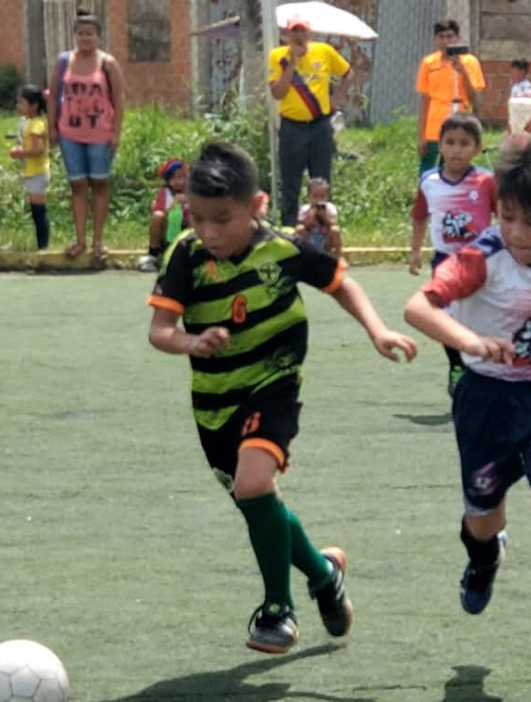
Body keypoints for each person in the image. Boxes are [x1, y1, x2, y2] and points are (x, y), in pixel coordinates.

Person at [147, 142, 417, 654]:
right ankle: (323, 572)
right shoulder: (184, 253)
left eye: (221, 219)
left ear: (257, 206)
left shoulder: (284, 250)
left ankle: (278, 611)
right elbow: (160, 330)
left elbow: (341, 284)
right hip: (213, 405)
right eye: (198, 218)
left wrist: (377, 330)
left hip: (273, 387)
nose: (208, 231)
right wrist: (191, 341)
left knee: (253, 484)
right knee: (258, 503)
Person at [403, 136, 531, 697]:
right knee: (482, 519)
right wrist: (471, 339)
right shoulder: (480, 259)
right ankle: (484, 556)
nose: (518, 232)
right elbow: (417, 307)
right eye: (508, 216)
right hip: (485, 405)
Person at [409, 113, 498, 395]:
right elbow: (420, 216)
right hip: (445, 261)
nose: (457, 149)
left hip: (481, 260)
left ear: (477, 148)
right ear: (441, 146)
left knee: (480, 313)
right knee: (445, 316)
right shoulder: (429, 181)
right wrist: (415, 251)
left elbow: (504, 215)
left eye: (464, 143)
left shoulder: (485, 181)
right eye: (450, 142)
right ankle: (456, 365)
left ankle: (484, 366)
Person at [47, 8, 125, 260]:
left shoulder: (107, 63)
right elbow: (52, 96)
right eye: (81, 33)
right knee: (77, 186)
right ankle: (80, 241)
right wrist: (52, 127)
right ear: (75, 36)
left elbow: (119, 98)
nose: (85, 38)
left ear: (99, 36)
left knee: (100, 184)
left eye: (90, 34)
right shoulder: (63, 62)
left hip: (100, 133)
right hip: (70, 131)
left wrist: (116, 131)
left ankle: (98, 242)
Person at [268, 15, 352, 228]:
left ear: (309, 33)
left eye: (302, 31)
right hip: (292, 127)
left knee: (322, 182)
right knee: (290, 184)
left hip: (319, 126)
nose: (298, 36)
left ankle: (322, 231)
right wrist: (292, 64)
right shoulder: (278, 56)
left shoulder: (324, 51)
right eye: (294, 31)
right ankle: (289, 232)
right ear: (287, 34)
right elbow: (278, 92)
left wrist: (337, 98)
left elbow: (348, 73)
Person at [416, 19, 486, 175]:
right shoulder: (429, 63)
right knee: (429, 173)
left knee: (458, 170)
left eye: (450, 36)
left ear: (458, 38)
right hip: (434, 128)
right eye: (441, 37)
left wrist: (463, 72)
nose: (445, 41)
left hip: (460, 124)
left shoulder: (470, 62)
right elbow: (425, 100)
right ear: (435, 40)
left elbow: (474, 96)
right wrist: (421, 135)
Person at [9, 85, 51, 251]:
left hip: (38, 172)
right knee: (36, 210)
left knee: (38, 211)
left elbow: (38, 149)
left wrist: (19, 153)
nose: (19, 106)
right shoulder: (29, 123)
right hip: (32, 172)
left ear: (33, 106)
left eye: (22, 103)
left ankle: (43, 246)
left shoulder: (36, 125)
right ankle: (41, 245)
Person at [139, 158, 191, 272]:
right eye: (174, 178)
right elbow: (159, 211)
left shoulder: (192, 193)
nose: (178, 181)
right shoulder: (164, 193)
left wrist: (189, 202)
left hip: (187, 230)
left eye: (181, 177)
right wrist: (173, 205)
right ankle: (153, 255)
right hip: (168, 230)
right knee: (157, 216)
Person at [296, 177, 342, 259]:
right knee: (299, 229)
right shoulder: (305, 209)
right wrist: (311, 219)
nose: (318, 200)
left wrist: (325, 217)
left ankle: (338, 257)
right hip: (310, 240)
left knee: (335, 229)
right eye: (315, 196)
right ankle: (302, 255)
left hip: (325, 240)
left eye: (322, 197)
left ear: (327, 197)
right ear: (309, 196)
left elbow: (334, 223)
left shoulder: (330, 208)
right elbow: (301, 226)